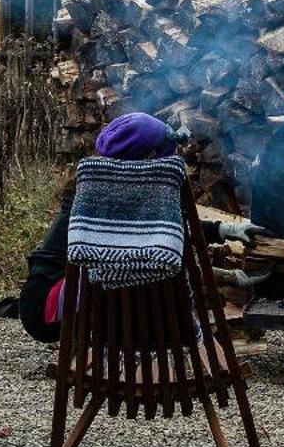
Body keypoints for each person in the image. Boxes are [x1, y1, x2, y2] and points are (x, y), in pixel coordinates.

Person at [19, 111, 259, 341]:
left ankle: (127, 342)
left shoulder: (108, 187)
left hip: (68, 297)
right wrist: (227, 277)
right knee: (148, 265)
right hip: (46, 306)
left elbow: (170, 230)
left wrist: (224, 229)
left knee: (147, 259)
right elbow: (169, 238)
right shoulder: (96, 196)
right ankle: (139, 342)